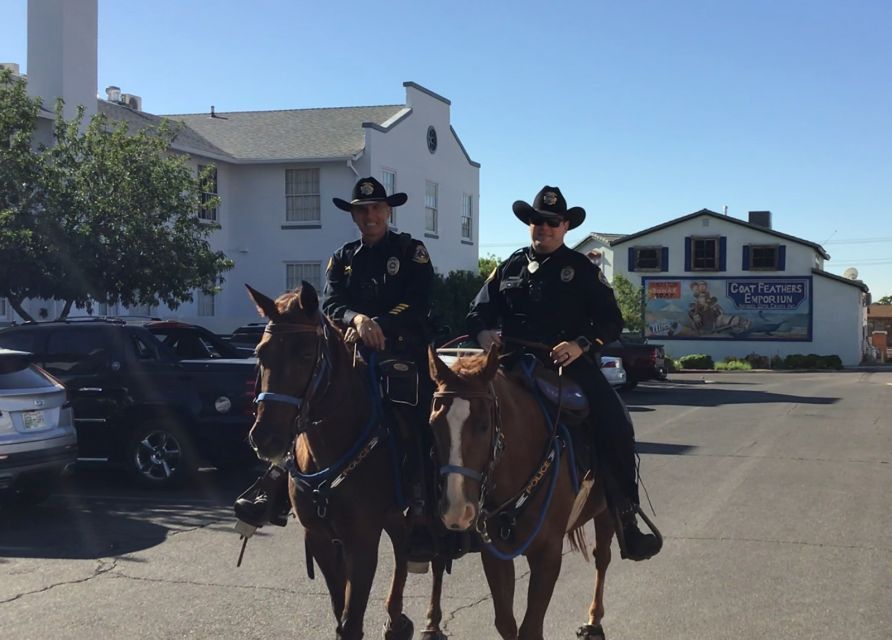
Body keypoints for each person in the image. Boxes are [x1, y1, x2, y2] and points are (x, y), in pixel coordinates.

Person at [234, 177, 437, 559]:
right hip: (351, 351)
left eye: (376, 208)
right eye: (362, 209)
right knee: (308, 400)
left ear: (388, 211)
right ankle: (277, 481)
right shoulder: (343, 258)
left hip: (403, 351)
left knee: (419, 415)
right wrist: (358, 319)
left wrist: (380, 324)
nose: (370, 215)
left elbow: (420, 300)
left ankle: (423, 504)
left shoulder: (412, 251)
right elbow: (330, 303)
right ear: (355, 216)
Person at [466, 185, 662, 561]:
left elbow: (611, 321)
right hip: (511, 363)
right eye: (537, 222)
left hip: (567, 366)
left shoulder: (583, 270)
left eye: (553, 223)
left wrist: (582, 344)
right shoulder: (508, 267)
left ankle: (625, 516)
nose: (544, 229)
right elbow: (477, 312)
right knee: (456, 416)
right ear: (529, 225)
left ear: (566, 226)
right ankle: (453, 517)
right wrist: (483, 332)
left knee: (616, 423)